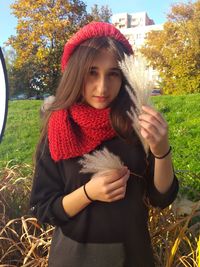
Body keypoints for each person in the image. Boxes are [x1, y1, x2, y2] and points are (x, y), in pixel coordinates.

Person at [30, 22, 179, 267]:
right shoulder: (58, 128)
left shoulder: (137, 123)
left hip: (132, 257)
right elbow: (43, 207)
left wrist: (161, 150)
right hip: (73, 258)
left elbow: (160, 198)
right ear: (76, 72)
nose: (102, 87)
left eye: (113, 74)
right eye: (92, 72)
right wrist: (88, 193)